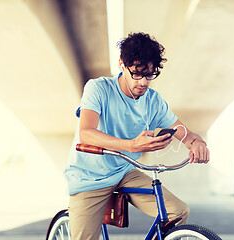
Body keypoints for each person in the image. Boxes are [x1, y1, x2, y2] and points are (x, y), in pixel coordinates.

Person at [64, 32, 210, 240]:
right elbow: (86, 133)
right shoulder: (98, 89)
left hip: (124, 172)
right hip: (90, 176)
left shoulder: (153, 101)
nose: (143, 82)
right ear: (122, 64)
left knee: (178, 212)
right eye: (137, 74)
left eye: (149, 75)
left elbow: (185, 133)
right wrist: (132, 145)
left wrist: (197, 142)